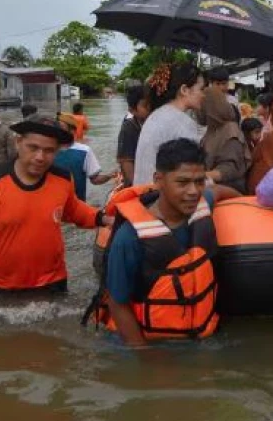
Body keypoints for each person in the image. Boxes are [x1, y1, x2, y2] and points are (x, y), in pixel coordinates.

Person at [0, 115, 107, 295]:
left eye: (49, 150)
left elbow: (74, 210)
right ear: (18, 143)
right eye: (33, 148)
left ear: (57, 151)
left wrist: (103, 218)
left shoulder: (63, 179)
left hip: (52, 282)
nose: (40, 157)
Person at [94, 139, 240, 345]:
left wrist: (246, 199)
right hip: (150, 340)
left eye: (199, 181)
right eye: (182, 182)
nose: (193, 191)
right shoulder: (129, 238)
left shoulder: (201, 204)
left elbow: (217, 191)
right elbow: (118, 304)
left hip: (200, 331)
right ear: (158, 180)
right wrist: (143, 355)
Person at [133, 62, 206, 186]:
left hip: (142, 193)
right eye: (201, 89)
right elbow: (191, 171)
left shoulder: (158, 114)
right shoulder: (183, 122)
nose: (203, 95)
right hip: (156, 196)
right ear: (184, 90)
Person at [54, 113, 116, 201]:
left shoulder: (84, 151)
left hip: (76, 205)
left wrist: (110, 175)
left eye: (61, 128)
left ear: (72, 131)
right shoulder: (48, 148)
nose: (58, 131)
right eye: (56, 128)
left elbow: (95, 179)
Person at [201, 88, 250, 193]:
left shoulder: (230, 131)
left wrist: (201, 176)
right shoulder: (213, 129)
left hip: (229, 191)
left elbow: (229, 169)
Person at [116, 85, 150, 187]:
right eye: (145, 106)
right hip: (138, 183)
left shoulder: (155, 123)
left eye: (152, 105)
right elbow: (126, 162)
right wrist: (136, 187)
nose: (150, 108)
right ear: (132, 110)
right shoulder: (129, 127)